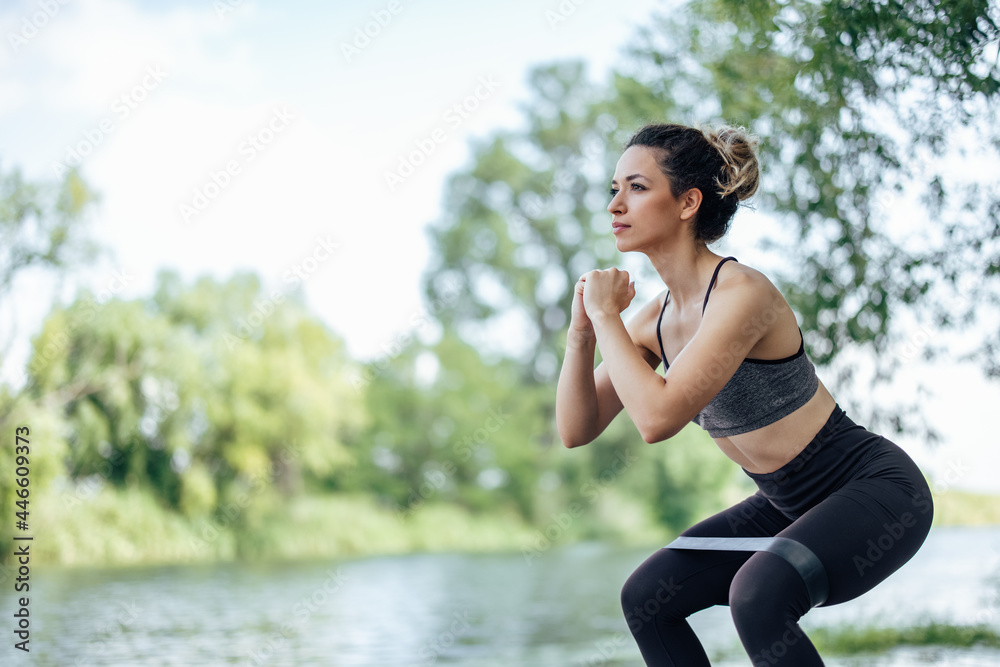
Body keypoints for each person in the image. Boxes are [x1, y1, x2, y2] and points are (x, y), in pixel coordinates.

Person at [554, 122, 934, 666]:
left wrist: (605, 314)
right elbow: (575, 429)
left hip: (875, 492)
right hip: (785, 504)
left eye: (636, 188)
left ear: (688, 202)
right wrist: (582, 332)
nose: (615, 203)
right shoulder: (652, 322)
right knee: (647, 598)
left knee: (758, 594)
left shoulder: (742, 294)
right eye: (614, 188)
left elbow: (656, 418)